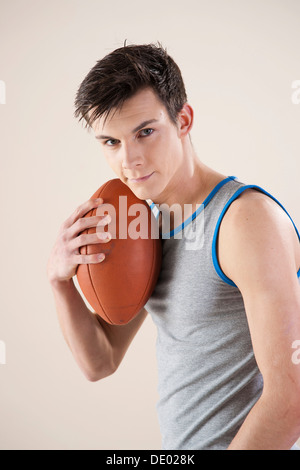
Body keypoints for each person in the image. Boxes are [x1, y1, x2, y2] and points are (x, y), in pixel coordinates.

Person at [47, 43, 300, 450]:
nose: (129, 160)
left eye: (145, 132)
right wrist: (60, 281)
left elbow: (291, 400)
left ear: (183, 120)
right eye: (110, 142)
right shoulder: (147, 226)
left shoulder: (245, 221)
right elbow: (100, 362)